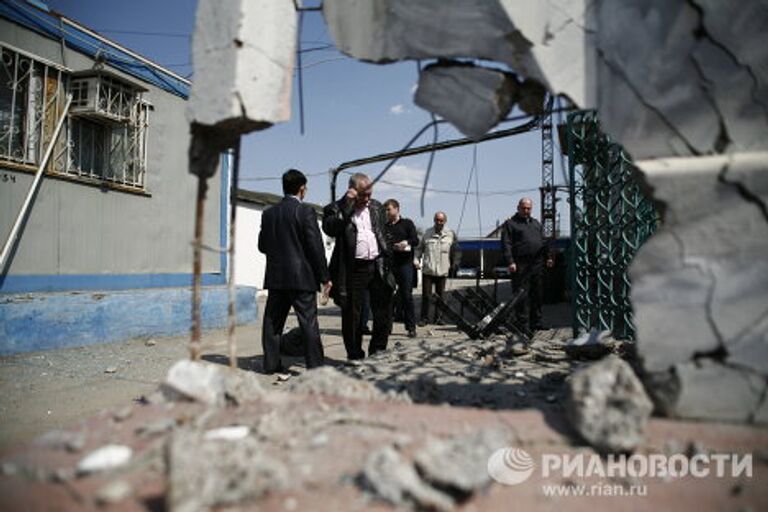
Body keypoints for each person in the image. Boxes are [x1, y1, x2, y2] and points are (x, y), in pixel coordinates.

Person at [258, 169, 332, 373]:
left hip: (276, 277)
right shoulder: (305, 212)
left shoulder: (269, 214)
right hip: (302, 278)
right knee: (308, 324)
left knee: (272, 323)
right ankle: (315, 368)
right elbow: (315, 248)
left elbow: (262, 246)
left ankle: (271, 364)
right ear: (302, 189)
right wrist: (324, 277)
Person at [322, 173, 395, 359]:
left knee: (383, 312)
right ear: (352, 191)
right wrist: (348, 206)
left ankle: (378, 350)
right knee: (352, 315)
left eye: (370, 194)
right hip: (353, 269)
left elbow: (383, 232)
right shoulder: (336, 208)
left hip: (378, 265)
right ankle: (354, 354)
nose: (368, 198)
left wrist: (388, 254)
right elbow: (330, 228)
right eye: (363, 194)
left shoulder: (377, 207)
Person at [500, 197, 554, 333]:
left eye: (528, 208)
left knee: (537, 294)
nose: (526, 210)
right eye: (523, 208)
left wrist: (548, 257)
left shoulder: (536, 224)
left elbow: (544, 241)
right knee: (521, 295)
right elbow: (506, 244)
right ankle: (522, 324)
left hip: (537, 263)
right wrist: (510, 262)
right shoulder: (510, 224)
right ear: (518, 207)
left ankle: (536, 322)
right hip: (520, 264)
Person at [414, 211, 460, 326]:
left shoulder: (451, 234)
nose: (439, 222)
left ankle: (438, 318)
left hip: (443, 270)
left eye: (441, 220)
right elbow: (419, 249)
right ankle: (424, 318)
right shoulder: (427, 233)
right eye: (437, 220)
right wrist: (415, 259)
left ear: (445, 221)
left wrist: (455, 264)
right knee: (426, 296)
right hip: (428, 270)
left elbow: (457, 251)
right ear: (434, 220)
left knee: (440, 297)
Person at [383, 199, 419, 338]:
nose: (387, 212)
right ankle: (387, 327)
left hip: (405, 264)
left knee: (406, 296)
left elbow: (415, 240)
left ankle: (411, 327)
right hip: (390, 265)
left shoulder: (407, 223)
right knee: (387, 297)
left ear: (397, 209)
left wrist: (406, 242)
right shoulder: (385, 226)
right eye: (385, 210)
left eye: (389, 209)